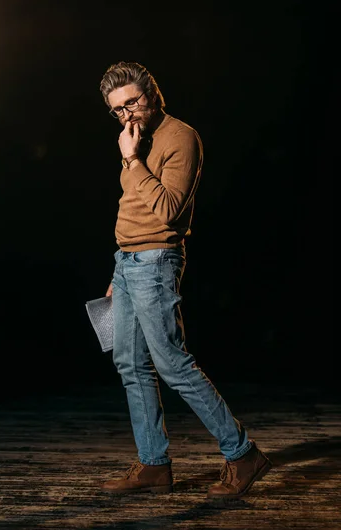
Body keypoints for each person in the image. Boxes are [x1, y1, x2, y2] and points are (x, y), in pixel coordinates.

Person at [99, 61, 272, 497]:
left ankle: (243, 453)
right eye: (117, 110)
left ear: (153, 94)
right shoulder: (134, 137)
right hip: (128, 263)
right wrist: (116, 272)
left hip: (156, 262)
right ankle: (154, 466)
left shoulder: (180, 138)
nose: (127, 116)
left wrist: (132, 158)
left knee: (173, 364)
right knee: (130, 364)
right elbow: (132, 207)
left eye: (133, 103)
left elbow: (168, 211)